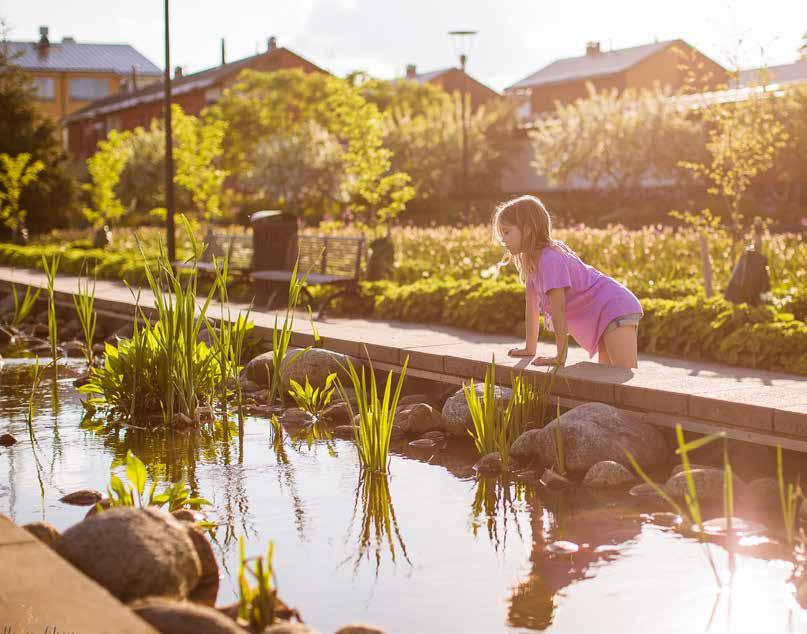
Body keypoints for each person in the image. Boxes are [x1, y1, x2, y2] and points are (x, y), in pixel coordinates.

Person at [492, 195, 643, 369]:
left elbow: (559, 309)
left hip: (614, 307)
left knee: (624, 382)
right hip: (604, 314)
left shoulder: (550, 259)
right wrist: (529, 349)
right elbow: (531, 305)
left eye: (506, 232)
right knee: (608, 383)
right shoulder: (532, 261)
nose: (503, 240)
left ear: (527, 229)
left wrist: (560, 356)